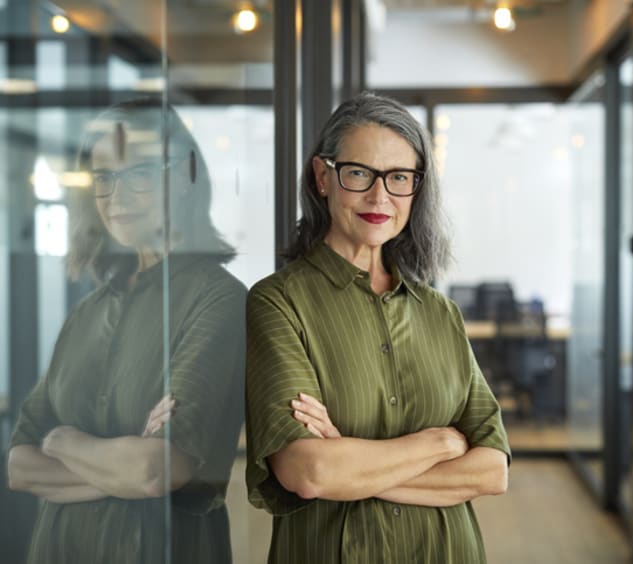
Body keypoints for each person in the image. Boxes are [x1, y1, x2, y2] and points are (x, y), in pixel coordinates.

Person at [245, 92, 511, 563]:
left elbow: (490, 471)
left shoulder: (440, 313)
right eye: (360, 173)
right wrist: (442, 443)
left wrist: (353, 464)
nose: (379, 196)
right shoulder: (277, 302)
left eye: (399, 178)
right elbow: (309, 472)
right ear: (323, 177)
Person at [7, 99, 246, 563]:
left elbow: (156, 470)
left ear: (182, 177)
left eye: (138, 174)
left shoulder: (220, 300)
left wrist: (64, 441)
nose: (115, 197)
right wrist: (120, 468)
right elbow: (19, 467)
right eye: (103, 178)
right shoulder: (88, 312)